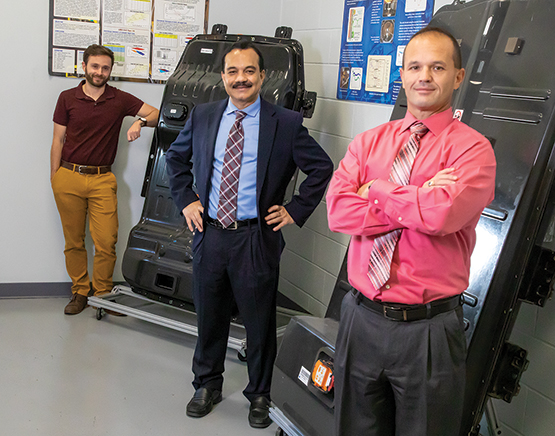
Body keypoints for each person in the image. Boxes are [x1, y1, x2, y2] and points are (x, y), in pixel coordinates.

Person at [326, 27, 496, 436]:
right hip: (361, 317)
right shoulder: (369, 143)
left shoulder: (473, 150)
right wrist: (417, 198)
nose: (425, 76)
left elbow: (442, 216)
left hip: (428, 332)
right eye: (415, 66)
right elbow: (338, 212)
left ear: (458, 77)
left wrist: (379, 190)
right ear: (401, 74)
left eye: (437, 67)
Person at [165, 41, 333, 428]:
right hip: (210, 235)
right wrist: (187, 200)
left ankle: (260, 393)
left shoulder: (285, 123)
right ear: (223, 76)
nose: (240, 79)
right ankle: (206, 383)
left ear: (261, 76)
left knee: (259, 323)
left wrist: (294, 210)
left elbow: (321, 167)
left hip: (255, 239)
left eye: (248, 71)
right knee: (209, 316)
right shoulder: (205, 116)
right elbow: (176, 158)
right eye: (232, 72)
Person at [51, 44, 159, 316]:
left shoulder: (119, 99)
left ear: (110, 70)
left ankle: (102, 294)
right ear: (84, 66)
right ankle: (80, 291)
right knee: (74, 241)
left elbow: (156, 114)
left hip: (102, 180)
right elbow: (58, 140)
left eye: (105, 68)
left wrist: (139, 123)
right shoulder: (67, 98)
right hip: (68, 177)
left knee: (106, 240)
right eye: (95, 66)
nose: (100, 72)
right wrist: (55, 178)